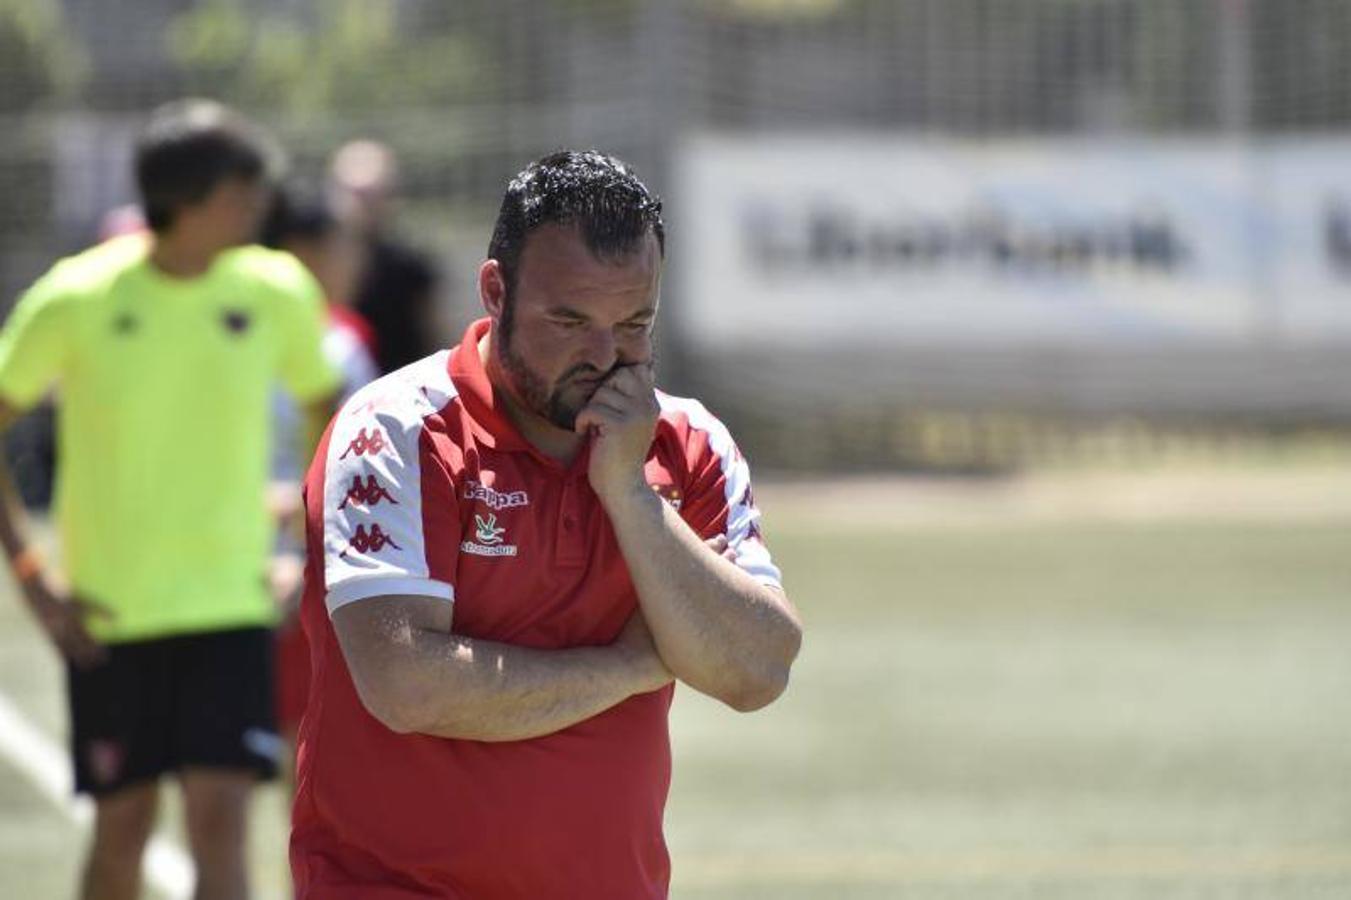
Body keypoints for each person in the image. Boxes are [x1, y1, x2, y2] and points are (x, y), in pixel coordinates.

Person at [290, 150, 803, 898]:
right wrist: (636, 663)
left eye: (633, 322)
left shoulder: (687, 445)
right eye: (568, 320)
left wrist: (629, 491)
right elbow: (406, 686)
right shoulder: (395, 429)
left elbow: (756, 671)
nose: (603, 356)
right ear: (495, 291)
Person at [0, 99, 340, 900]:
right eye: (241, 188)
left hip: (230, 608)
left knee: (222, 826)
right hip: (109, 617)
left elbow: (332, 416)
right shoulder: (75, 297)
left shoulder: (276, 289)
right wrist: (31, 573)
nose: (257, 205)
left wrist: (298, 543)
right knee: (123, 833)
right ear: (189, 199)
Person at [258, 182, 379, 763]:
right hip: (236, 558)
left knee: (310, 734)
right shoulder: (242, 332)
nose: (353, 262)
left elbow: (356, 457)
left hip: (312, 554)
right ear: (303, 252)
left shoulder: (349, 338)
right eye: (341, 247)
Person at [327, 139, 444, 374]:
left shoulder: (411, 266)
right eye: (357, 194)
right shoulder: (314, 261)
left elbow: (431, 336)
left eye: (374, 194)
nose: (364, 205)